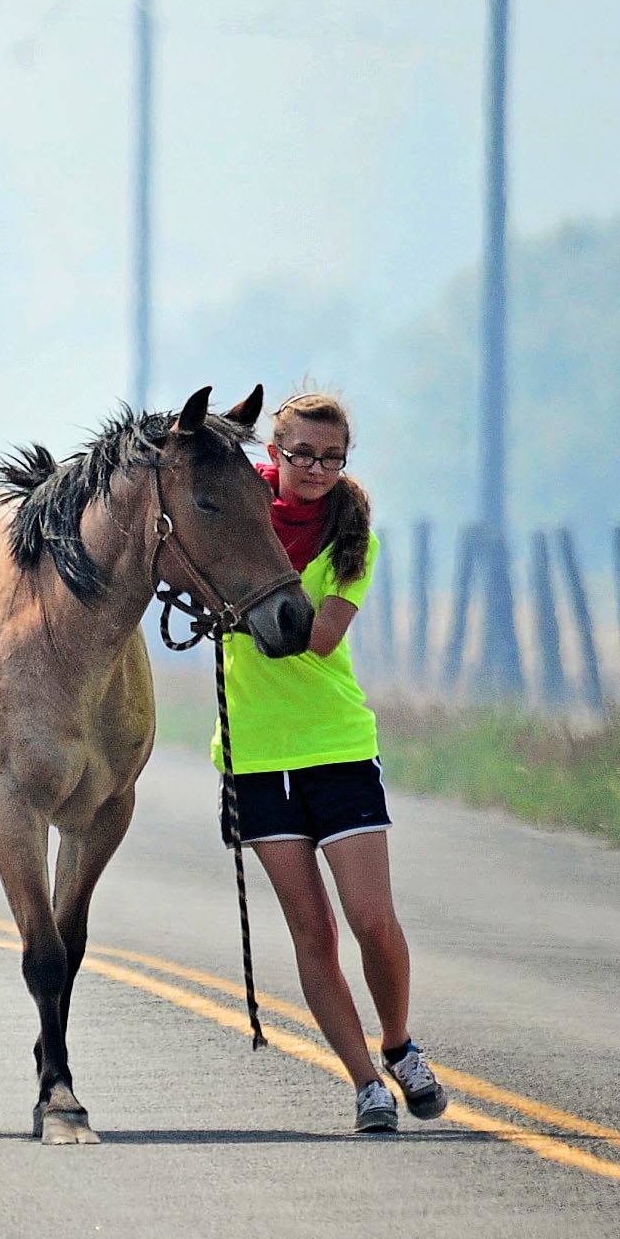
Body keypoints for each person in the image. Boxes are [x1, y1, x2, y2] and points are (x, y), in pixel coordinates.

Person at [214, 389, 450, 1134]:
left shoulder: (353, 539)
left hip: (337, 748)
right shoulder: (234, 520)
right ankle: (364, 1086)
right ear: (274, 454)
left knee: (371, 919)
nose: (315, 468)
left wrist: (238, 610)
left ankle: (399, 1046)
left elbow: (317, 637)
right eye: (301, 454)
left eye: (331, 457)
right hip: (254, 759)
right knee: (313, 933)